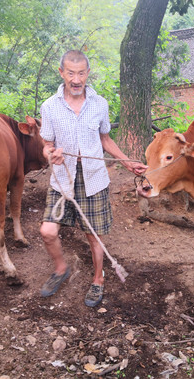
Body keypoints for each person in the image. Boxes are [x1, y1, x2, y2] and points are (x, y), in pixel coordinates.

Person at [39, 50, 147, 307]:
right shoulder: (49, 106)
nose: (76, 79)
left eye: (81, 73)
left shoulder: (100, 104)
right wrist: (50, 155)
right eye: (71, 73)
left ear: (88, 73)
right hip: (63, 178)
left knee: (94, 235)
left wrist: (127, 162)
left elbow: (105, 139)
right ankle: (60, 268)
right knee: (47, 231)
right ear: (61, 73)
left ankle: (98, 279)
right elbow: (46, 144)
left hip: (93, 178)